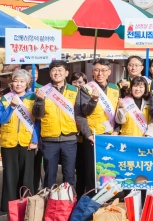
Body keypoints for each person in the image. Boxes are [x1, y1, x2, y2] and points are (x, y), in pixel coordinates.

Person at [75, 58, 120, 195]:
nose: (100, 73)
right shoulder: (86, 89)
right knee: (92, 171)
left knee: (110, 169)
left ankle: (109, 199)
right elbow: (82, 114)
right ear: (92, 72)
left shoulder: (115, 88)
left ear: (109, 72)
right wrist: (88, 134)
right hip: (93, 137)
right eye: (97, 70)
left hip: (111, 136)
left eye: (103, 70)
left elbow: (119, 112)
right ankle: (92, 200)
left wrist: (117, 130)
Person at [32, 60, 78, 188]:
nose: (57, 73)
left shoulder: (75, 91)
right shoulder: (42, 91)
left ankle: (68, 205)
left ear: (66, 73)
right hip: (49, 138)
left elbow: (80, 113)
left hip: (69, 138)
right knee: (50, 175)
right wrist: (40, 101)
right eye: (54, 70)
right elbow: (37, 115)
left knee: (69, 175)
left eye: (60, 70)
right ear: (50, 73)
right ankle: (49, 205)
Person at [0, 69, 39, 212]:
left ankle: (27, 206)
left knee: (27, 176)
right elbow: (2, 119)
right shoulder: (5, 99)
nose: (18, 84)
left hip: (26, 142)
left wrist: (35, 140)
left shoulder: (33, 98)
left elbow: (37, 122)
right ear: (11, 83)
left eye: (22, 81)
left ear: (27, 83)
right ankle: (9, 207)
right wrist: (12, 106)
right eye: (16, 81)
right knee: (10, 176)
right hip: (8, 142)